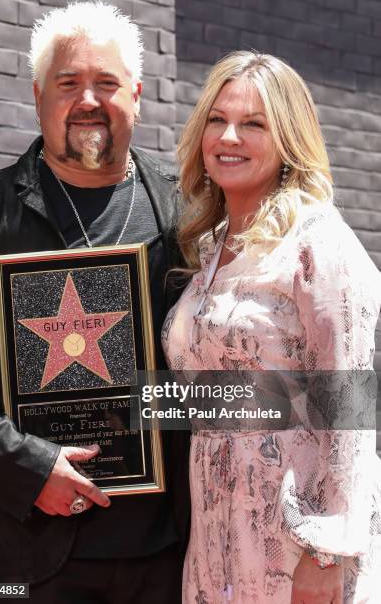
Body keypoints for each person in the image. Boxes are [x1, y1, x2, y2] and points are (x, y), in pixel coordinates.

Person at [0, 1, 189, 603]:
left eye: (107, 83)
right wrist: (26, 467)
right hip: (24, 555)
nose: (89, 99)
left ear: (136, 94)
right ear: (38, 96)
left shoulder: (188, 212)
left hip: (170, 553)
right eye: (69, 83)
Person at [162, 51, 381, 603]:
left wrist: (328, 549)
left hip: (297, 549)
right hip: (214, 543)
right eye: (218, 119)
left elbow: (350, 404)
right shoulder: (209, 250)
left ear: (287, 138)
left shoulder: (317, 242)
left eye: (253, 124)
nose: (229, 136)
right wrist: (111, 411)